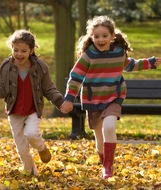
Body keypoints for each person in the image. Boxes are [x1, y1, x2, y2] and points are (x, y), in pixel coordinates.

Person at [63, 15, 160, 179]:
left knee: (109, 127)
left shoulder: (118, 52)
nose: (100, 39)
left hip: (113, 97)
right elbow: (76, 77)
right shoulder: (88, 55)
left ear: (112, 36)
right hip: (93, 100)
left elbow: (130, 65)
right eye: (96, 36)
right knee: (99, 137)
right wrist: (69, 98)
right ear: (91, 37)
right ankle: (104, 161)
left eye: (104, 36)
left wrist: (149, 63)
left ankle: (108, 167)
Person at [0, 29, 70, 175]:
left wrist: (61, 102)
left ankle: (41, 148)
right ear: (11, 48)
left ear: (31, 50)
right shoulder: (6, 67)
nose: (19, 54)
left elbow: (49, 89)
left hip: (32, 110)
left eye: (24, 51)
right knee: (22, 147)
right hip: (14, 112)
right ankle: (30, 172)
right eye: (16, 50)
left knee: (31, 134)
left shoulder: (40, 67)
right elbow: (1, 91)